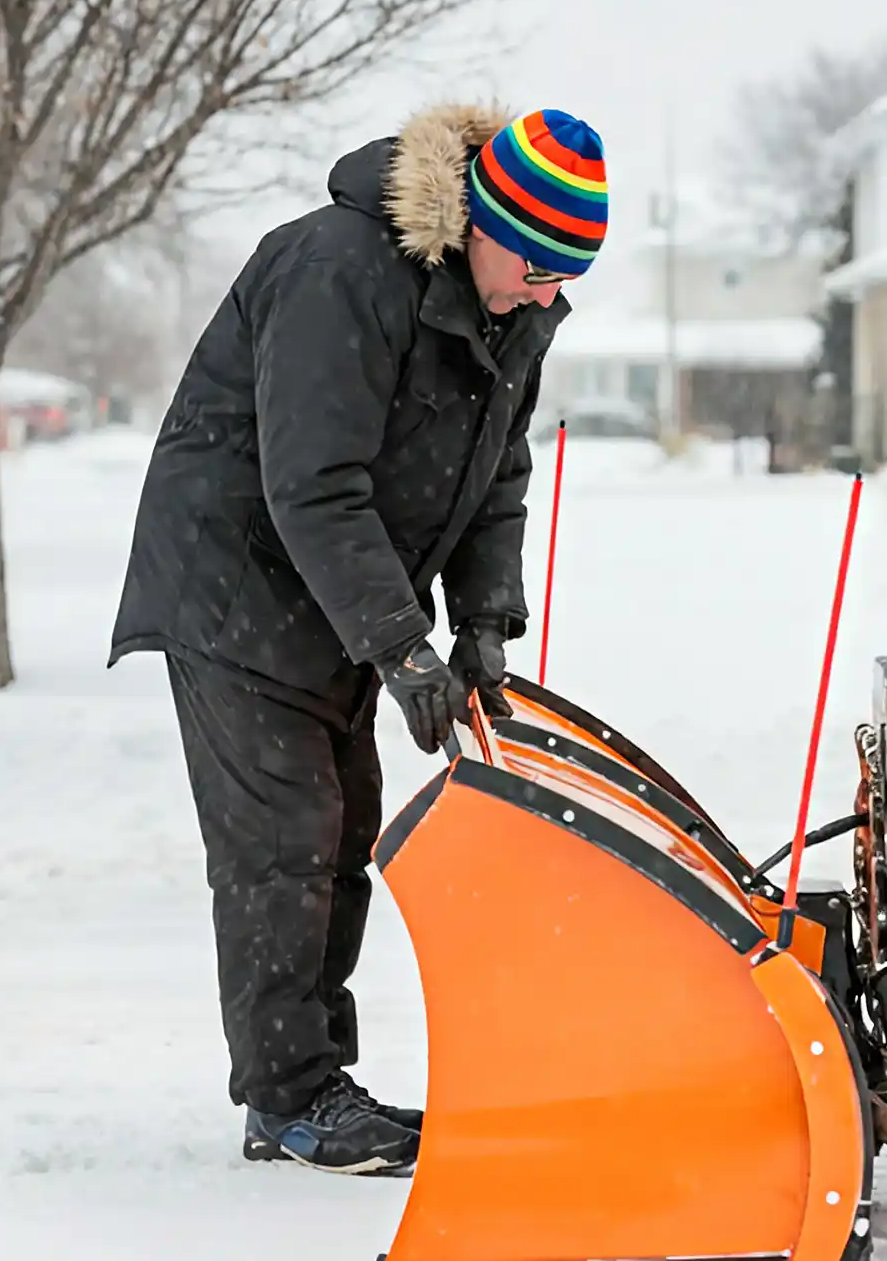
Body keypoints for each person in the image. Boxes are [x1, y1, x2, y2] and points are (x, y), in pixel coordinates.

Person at [108, 103, 606, 1175]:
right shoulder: (338, 271)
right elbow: (314, 485)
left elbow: (494, 476)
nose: (550, 293)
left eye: (572, 274)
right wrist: (400, 648)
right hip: (236, 582)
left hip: (333, 595)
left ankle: (311, 1084)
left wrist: (480, 625)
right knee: (285, 838)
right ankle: (289, 1099)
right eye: (538, 265)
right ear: (482, 221)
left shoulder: (509, 302)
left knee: (342, 835)